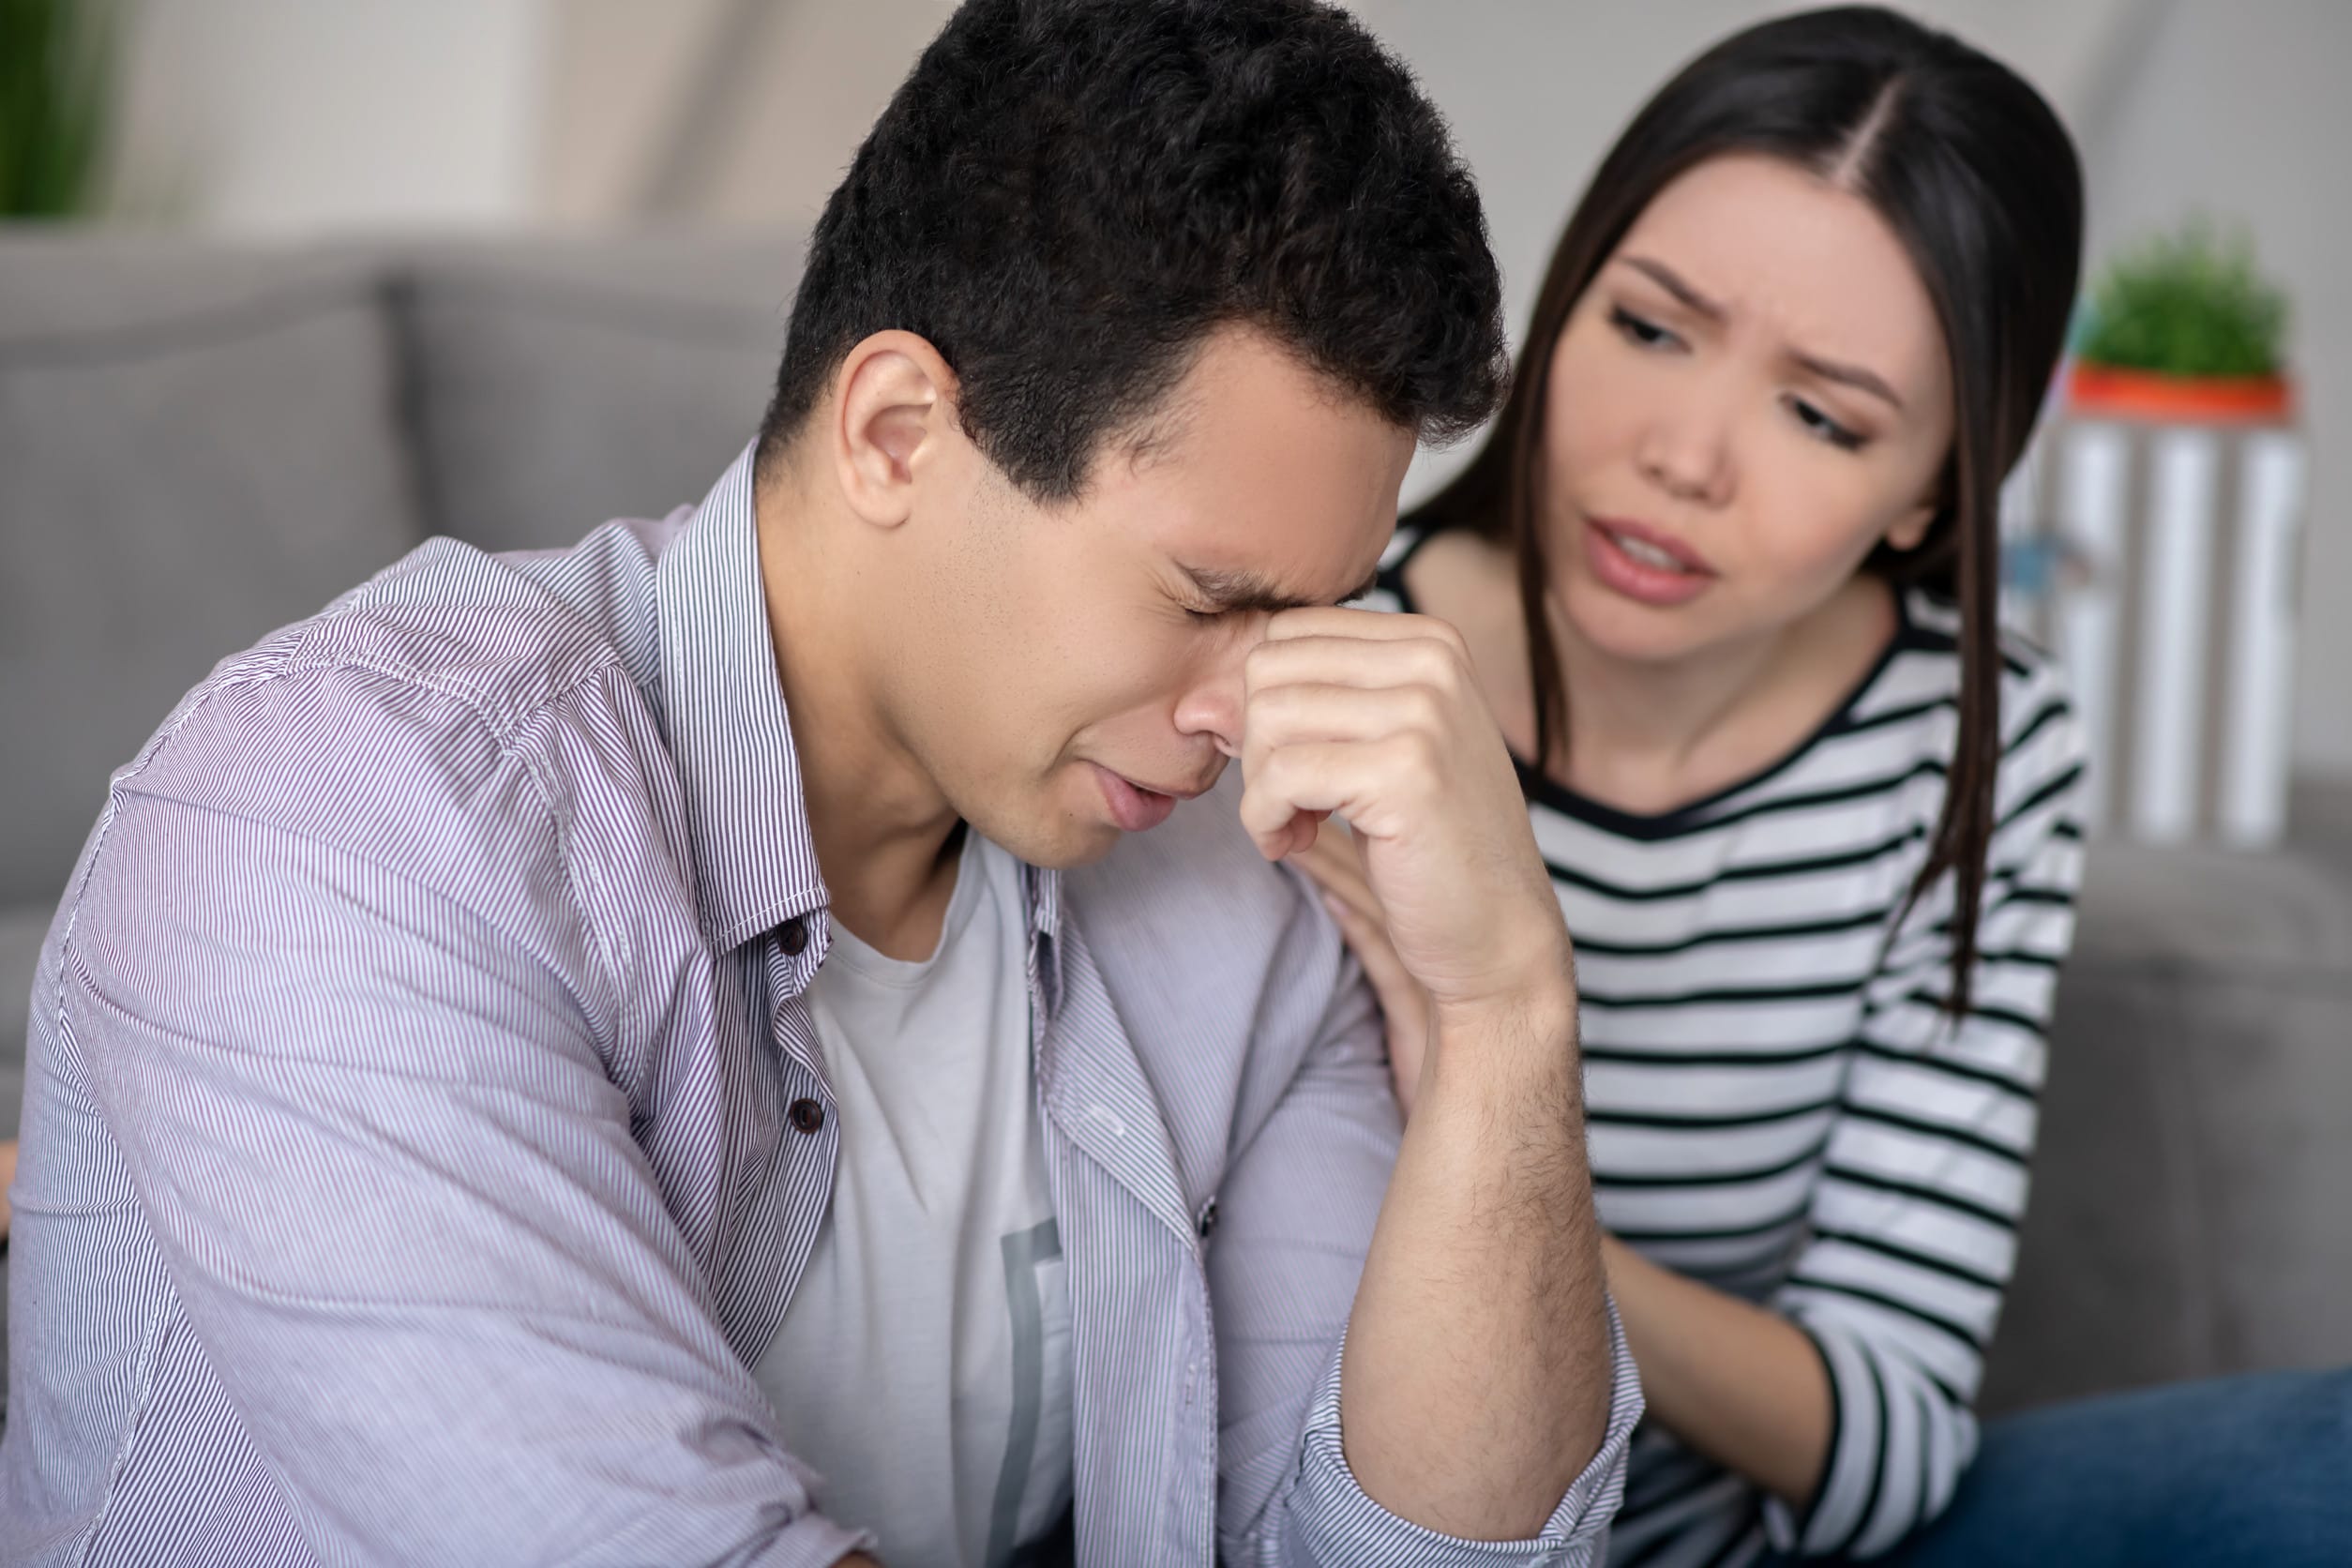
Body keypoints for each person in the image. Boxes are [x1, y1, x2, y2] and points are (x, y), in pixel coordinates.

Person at [0, 2, 1644, 1563]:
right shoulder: (345, 822)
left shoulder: (1242, 884)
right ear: (897, 431)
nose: (1248, 711)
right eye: (1212, 599)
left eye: (1312, 614)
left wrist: (1508, 1009)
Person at [1299, 8, 2352, 1567]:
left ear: (1933, 484)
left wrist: (1495, 1112)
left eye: (1821, 415)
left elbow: (1893, 1433)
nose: (1686, 456)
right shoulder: (1331, 673)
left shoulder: (1966, 740)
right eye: (1649, 327)